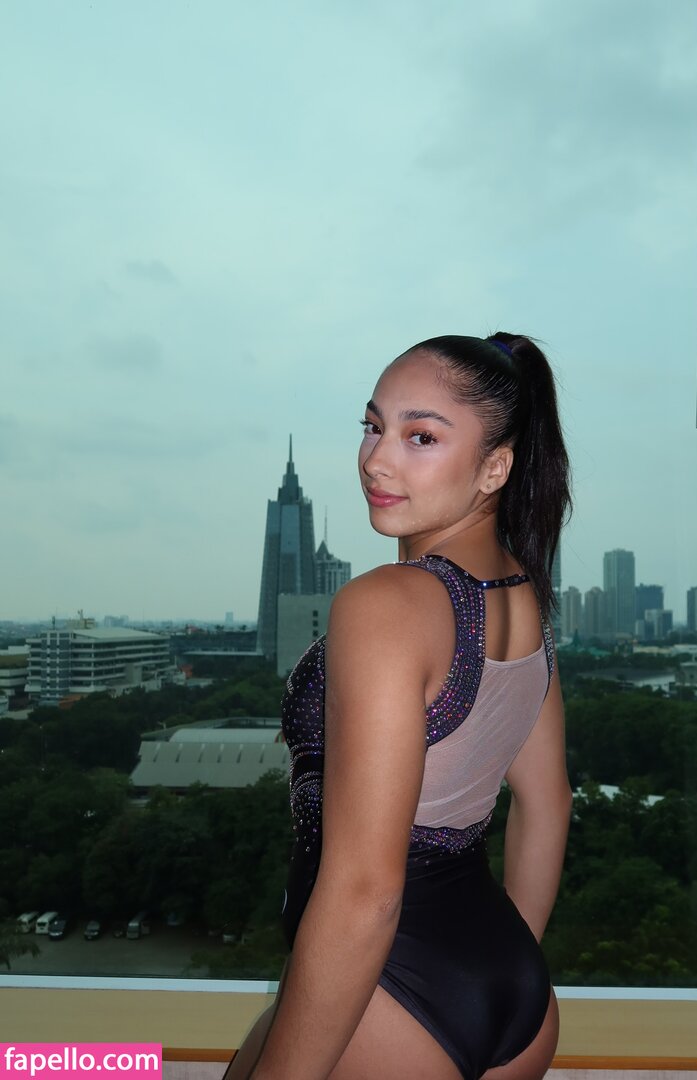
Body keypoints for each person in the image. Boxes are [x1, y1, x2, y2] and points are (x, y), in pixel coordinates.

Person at [224, 332, 573, 1080]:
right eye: (373, 426)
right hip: (512, 989)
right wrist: (493, 964)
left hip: (388, 996)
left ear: (496, 467)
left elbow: (365, 891)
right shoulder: (524, 598)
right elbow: (548, 804)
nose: (376, 460)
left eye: (421, 437)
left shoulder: (387, 603)